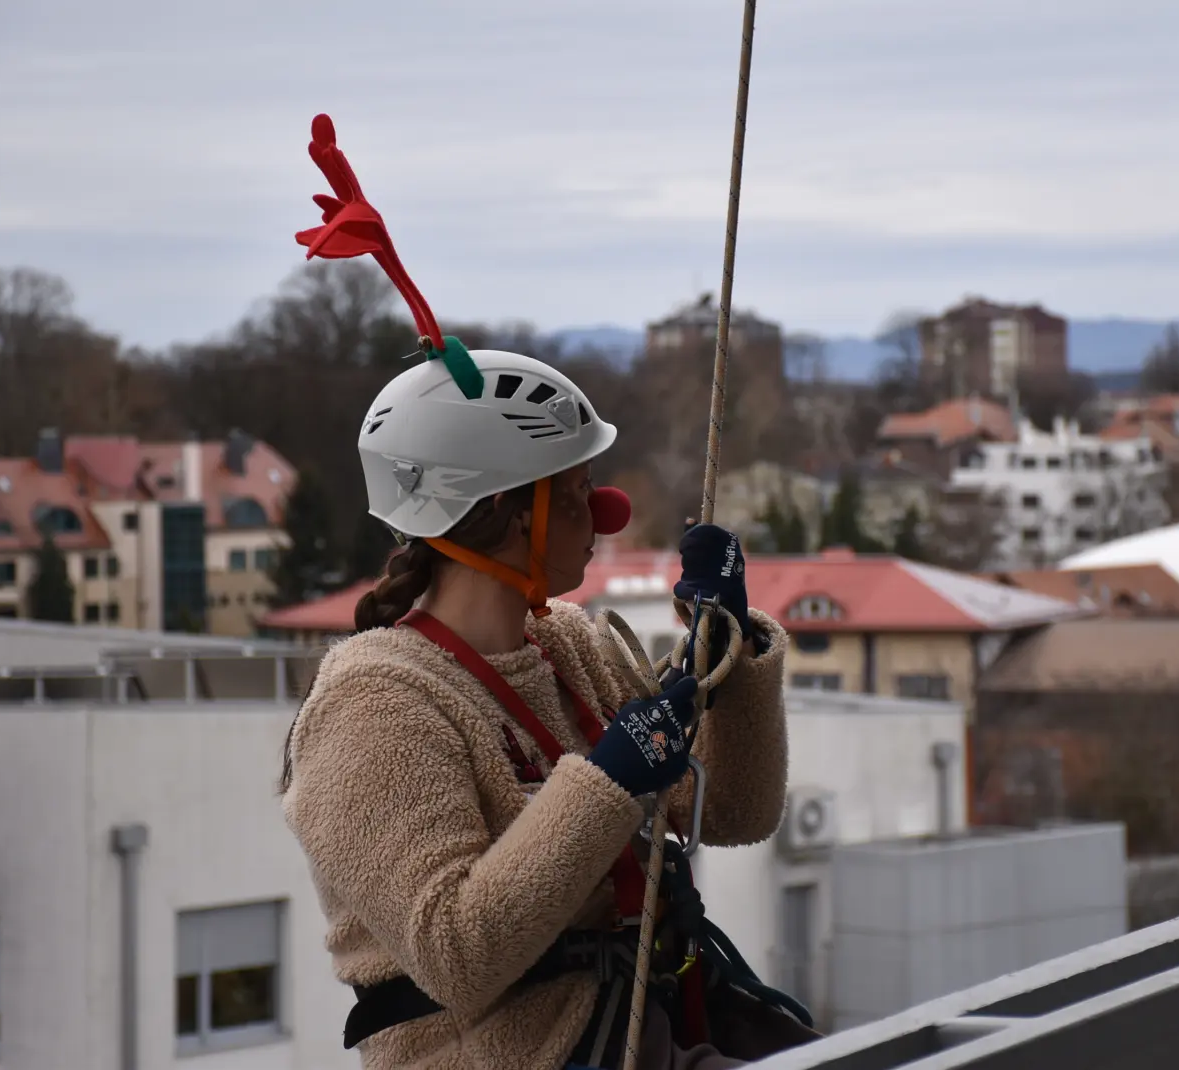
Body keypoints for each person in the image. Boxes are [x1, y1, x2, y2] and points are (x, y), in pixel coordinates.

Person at [278, 114, 816, 1070]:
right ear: (495, 517)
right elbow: (457, 952)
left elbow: (732, 813)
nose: (600, 514)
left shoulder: (573, 646)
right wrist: (610, 777)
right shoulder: (373, 709)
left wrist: (732, 661)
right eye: (571, 496)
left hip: (646, 1033)